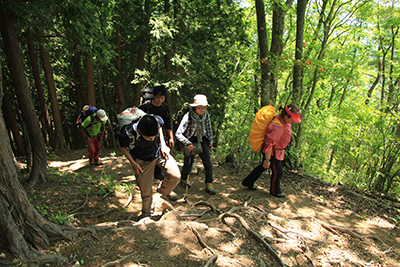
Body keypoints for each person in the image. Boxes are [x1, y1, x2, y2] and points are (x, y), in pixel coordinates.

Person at [117, 114, 180, 219]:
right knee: (146, 191)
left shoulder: (155, 120)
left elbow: (159, 126)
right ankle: (147, 214)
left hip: (159, 152)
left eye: (153, 137)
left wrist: (163, 145)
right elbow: (121, 145)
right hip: (142, 160)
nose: (152, 139)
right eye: (149, 138)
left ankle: (164, 191)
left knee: (175, 176)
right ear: (140, 132)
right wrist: (133, 163)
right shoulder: (128, 134)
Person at [241, 103, 302, 198]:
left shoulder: (285, 122)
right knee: (278, 171)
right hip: (272, 153)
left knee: (263, 167)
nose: (293, 121)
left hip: (278, 152)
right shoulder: (277, 126)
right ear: (286, 117)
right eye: (292, 119)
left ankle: (248, 182)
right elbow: (269, 144)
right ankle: (275, 191)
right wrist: (267, 159)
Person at [175, 94, 216, 195]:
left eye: (203, 107)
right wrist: (187, 143)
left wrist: (210, 141)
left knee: (208, 163)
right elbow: (178, 133)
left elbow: (209, 129)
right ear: (194, 107)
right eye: (199, 108)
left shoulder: (206, 115)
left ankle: (209, 183)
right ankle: (184, 180)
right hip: (190, 140)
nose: (202, 109)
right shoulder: (188, 116)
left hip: (203, 140)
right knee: (188, 163)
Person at [139, 85, 174, 180]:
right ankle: (145, 172)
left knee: (160, 152)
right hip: (147, 135)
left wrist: (171, 137)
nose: (159, 100)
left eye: (162, 98)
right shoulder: (145, 107)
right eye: (158, 97)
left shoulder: (164, 107)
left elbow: (168, 122)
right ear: (153, 96)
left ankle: (158, 173)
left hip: (160, 135)